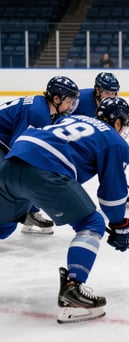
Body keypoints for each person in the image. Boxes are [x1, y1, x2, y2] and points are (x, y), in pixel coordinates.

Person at [0, 97, 129, 323]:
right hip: (43, 169)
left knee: (4, 227)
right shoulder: (115, 142)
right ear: (118, 123)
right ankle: (73, 292)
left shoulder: (75, 117)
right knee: (92, 224)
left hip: (11, 162)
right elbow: (112, 196)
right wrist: (119, 225)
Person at [0, 75, 80, 235]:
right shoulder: (39, 112)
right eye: (69, 101)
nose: (71, 105)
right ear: (57, 98)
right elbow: (19, 147)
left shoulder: (44, 107)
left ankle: (25, 211)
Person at [73, 72, 129, 208]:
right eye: (107, 93)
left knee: (115, 156)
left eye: (113, 93)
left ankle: (116, 190)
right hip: (73, 140)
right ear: (97, 90)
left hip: (92, 141)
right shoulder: (79, 100)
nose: (111, 97)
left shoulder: (114, 107)